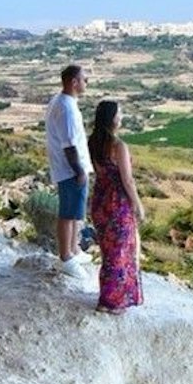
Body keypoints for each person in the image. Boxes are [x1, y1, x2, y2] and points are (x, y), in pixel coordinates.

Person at [85, 99, 145, 315]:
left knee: (108, 252)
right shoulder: (119, 146)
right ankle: (112, 302)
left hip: (100, 200)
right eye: (119, 114)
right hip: (117, 201)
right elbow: (127, 180)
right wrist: (138, 204)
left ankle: (107, 298)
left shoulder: (93, 142)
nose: (122, 117)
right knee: (121, 252)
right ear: (112, 118)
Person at [42, 64, 91, 279]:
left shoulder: (61, 101)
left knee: (74, 211)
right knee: (68, 213)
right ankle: (65, 258)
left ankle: (73, 251)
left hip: (68, 167)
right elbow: (69, 144)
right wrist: (79, 170)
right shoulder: (67, 108)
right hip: (70, 169)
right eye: (84, 79)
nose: (86, 83)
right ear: (74, 82)